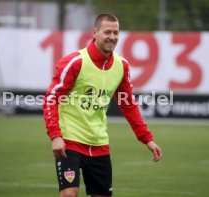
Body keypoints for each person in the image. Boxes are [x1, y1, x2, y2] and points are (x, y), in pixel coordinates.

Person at [43, 13, 162, 197]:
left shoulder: (121, 66)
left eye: (116, 32)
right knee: (69, 194)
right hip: (70, 141)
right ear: (95, 32)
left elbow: (128, 104)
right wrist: (55, 136)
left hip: (99, 144)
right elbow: (51, 98)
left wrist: (147, 139)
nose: (112, 37)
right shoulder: (75, 62)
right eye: (107, 32)